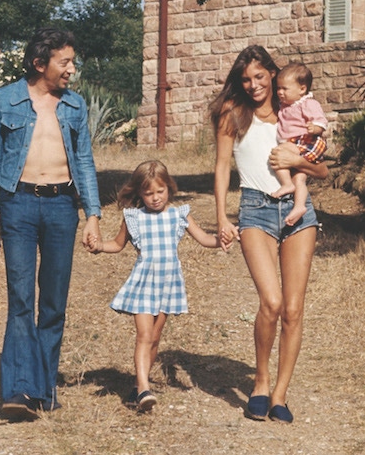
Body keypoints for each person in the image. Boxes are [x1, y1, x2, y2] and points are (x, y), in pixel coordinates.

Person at [0, 27, 102, 421]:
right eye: (64, 62)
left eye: (72, 62)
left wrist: (92, 215)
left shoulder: (75, 105)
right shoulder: (4, 100)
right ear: (39, 63)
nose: (71, 69)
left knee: (53, 301)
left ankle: (44, 389)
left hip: (62, 206)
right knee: (20, 299)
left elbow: (84, 162)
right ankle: (16, 391)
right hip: (18, 205)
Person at [209, 45, 328, 424]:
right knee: (271, 302)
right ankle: (260, 383)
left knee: (293, 309)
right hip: (255, 210)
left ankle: (279, 395)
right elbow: (222, 167)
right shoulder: (233, 114)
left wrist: (298, 161)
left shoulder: (291, 112)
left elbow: (323, 171)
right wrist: (222, 218)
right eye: (246, 79)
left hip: (298, 213)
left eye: (260, 77)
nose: (254, 84)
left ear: (273, 76)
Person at [87, 160, 223, 412]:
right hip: (144, 284)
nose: (155, 198)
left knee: (155, 339)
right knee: (144, 336)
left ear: (169, 188)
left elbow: (205, 239)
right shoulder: (134, 218)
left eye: (160, 191)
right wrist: (98, 247)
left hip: (168, 284)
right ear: (139, 193)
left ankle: (138, 390)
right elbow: (117, 244)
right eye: (148, 193)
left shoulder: (178, 214)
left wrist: (224, 239)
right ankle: (144, 387)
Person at [270, 62, 329, 226]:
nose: (280, 92)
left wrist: (315, 128)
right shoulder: (285, 105)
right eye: (278, 88)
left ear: (302, 89)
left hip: (306, 141)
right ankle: (299, 206)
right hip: (298, 145)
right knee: (300, 179)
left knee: (278, 153)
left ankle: (286, 184)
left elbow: (322, 121)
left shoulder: (308, 103)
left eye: (285, 89)